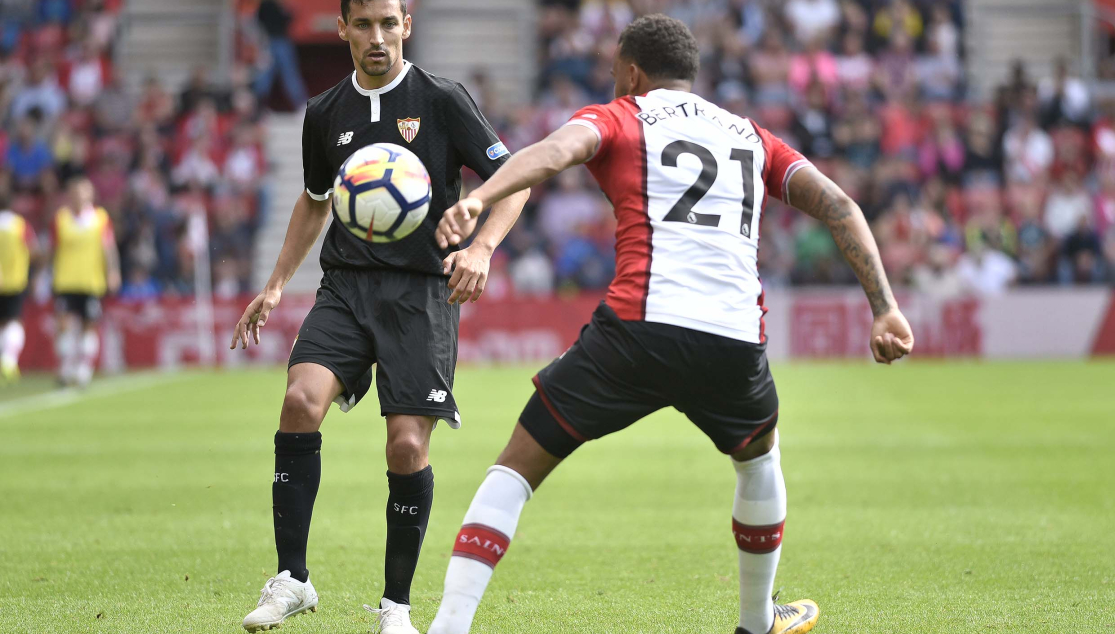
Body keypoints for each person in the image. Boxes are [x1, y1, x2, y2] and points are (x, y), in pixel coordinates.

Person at [427, 14, 914, 634]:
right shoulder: (751, 135)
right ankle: (757, 622)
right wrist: (885, 307)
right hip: (733, 339)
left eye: (612, 76)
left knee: (518, 465)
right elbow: (841, 205)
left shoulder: (622, 116)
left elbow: (554, 153)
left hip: (638, 329)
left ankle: (449, 625)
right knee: (760, 459)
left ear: (631, 73)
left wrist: (477, 198)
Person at [229, 1, 530, 632]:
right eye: (363, 24)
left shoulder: (443, 99)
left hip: (422, 294)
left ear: (407, 26)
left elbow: (516, 180)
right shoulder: (324, 112)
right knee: (300, 401)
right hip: (345, 285)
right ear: (341, 29)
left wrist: (480, 247)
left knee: (405, 444)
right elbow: (315, 202)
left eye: (388, 23)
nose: (377, 37)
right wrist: (278, 283)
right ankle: (292, 580)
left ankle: (396, 608)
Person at [50, 176, 121, 387]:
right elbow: (53, 249)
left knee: (88, 327)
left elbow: (108, 247)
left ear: (90, 195)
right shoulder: (61, 218)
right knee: (63, 326)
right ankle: (65, 367)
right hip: (65, 280)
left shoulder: (100, 218)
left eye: (83, 192)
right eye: (75, 192)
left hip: (91, 281)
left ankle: (84, 368)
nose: (79, 196)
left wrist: (113, 271)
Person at [0, 195, 39, 383]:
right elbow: (33, 251)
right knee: (14, 321)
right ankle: (8, 360)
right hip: (15, 281)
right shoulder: (20, 225)